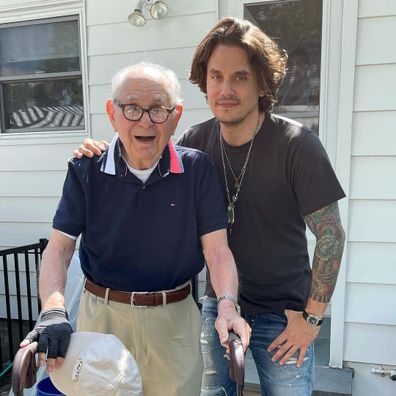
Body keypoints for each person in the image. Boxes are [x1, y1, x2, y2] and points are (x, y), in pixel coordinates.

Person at [76, 17, 346, 396]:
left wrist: (313, 317)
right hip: (215, 305)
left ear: (262, 82)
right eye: (216, 76)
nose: (225, 89)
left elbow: (331, 233)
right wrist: (99, 149)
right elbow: (143, 140)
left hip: (284, 314)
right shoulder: (194, 142)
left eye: (239, 77)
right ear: (204, 81)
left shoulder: (297, 145)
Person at [20, 62, 251, 396]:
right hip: (102, 319)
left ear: (176, 116)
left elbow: (217, 250)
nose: (145, 121)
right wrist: (53, 309)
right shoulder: (86, 168)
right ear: (112, 113)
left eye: (158, 109)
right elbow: (59, 248)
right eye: (132, 108)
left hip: (175, 322)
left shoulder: (198, 168)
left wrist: (228, 304)